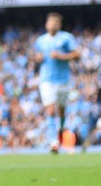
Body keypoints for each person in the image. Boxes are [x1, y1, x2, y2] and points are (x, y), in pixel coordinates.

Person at [33, 12, 80, 154]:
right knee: (51, 110)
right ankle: (53, 141)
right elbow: (36, 57)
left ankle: (60, 131)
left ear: (59, 25)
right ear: (46, 24)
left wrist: (61, 56)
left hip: (63, 80)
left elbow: (77, 55)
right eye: (50, 22)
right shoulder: (41, 41)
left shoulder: (66, 38)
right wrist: (38, 58)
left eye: (55, 22)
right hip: (46, 79)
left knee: (61, 111)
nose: (52, 24)